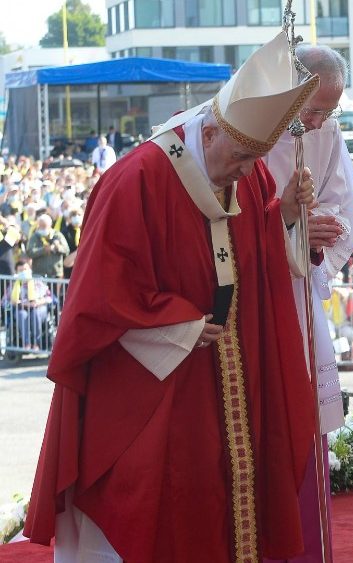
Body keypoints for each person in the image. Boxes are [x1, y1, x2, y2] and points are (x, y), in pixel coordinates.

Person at [25, 33, 327, 561]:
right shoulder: (136, 179)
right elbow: (99, 296)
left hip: (225, 382)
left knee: (218, 498)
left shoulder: (249, 172)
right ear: (208, 132)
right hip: (149, 387)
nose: (245, 170)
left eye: (253, 160)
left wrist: (286, 217)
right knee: (150, 500)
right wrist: (179, 324)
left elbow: (251, 249)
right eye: (238, 157)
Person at [262, 44, 353, 562]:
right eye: (313, 108)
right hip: (252, 294)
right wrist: (287, 225)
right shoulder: (245, 122)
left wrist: (323, 232)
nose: (319, 121)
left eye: (329, 111)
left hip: (298, 288)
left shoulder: (326, 133)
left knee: (303, 420)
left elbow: (344, 204)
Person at [3, 258, 52, 350]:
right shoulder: (13, 285)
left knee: (35, 314)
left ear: (30, 270)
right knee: (22, 315)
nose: (23, 272)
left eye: (25, 269)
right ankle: (27, 343)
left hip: (39, 307)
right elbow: (4, 301)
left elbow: (50, 297)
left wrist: (38, 302)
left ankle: (37, 343)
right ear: (16, 272)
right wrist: (16, 303)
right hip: (21, 308)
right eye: (20, 270)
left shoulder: (38, 282)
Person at [25, 213, 69, 279]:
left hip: (55, 274)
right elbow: (30, 252)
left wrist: (57, 247)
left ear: (50, 225)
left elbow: (66, 250)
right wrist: (43, 250)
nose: (43, 228)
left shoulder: (57, 235)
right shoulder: (35, 236)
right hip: (39, 274)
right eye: (41, 226)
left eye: (45, 226)